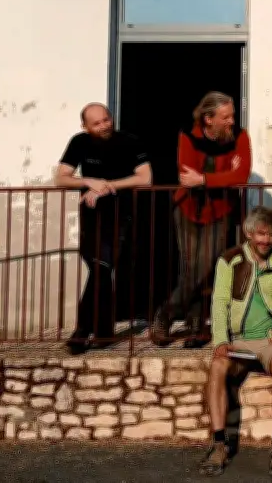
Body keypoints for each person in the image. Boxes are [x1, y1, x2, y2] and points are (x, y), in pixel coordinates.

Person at [200, 206, 272, 477]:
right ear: (249, 232)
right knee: (217, 366)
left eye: (271, 235)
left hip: (271, 338)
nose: (266, 240)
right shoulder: (229, 260)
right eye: (261, 234)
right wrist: (219, 340)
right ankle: (218, 443)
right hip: (238, 339)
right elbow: (219, 303)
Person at [153, 92, 251, 348]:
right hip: (187, 207)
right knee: (191, 266)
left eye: (232, 116)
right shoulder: (188, 135)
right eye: (226, 117)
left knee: (205, 265)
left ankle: (166, 314)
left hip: (220, 210)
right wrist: (224, 174)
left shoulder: (240, 136)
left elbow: (241, 175)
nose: (232, 121)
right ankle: (196, 324)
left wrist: (206, 179)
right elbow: (187, 175)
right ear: (209, 119)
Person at [54, 103, 152, 355]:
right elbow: (61, 177)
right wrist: (89, 181)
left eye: (106, 120)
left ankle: (81, 332)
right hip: (91, 217)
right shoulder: (79, 142)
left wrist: (108, 186)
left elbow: (145, 177)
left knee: (101, 268)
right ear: (85, 126)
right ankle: (105, 332)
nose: (104, 125)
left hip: (121, 216)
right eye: (96, 123)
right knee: (100, 270)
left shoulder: (130, 141)